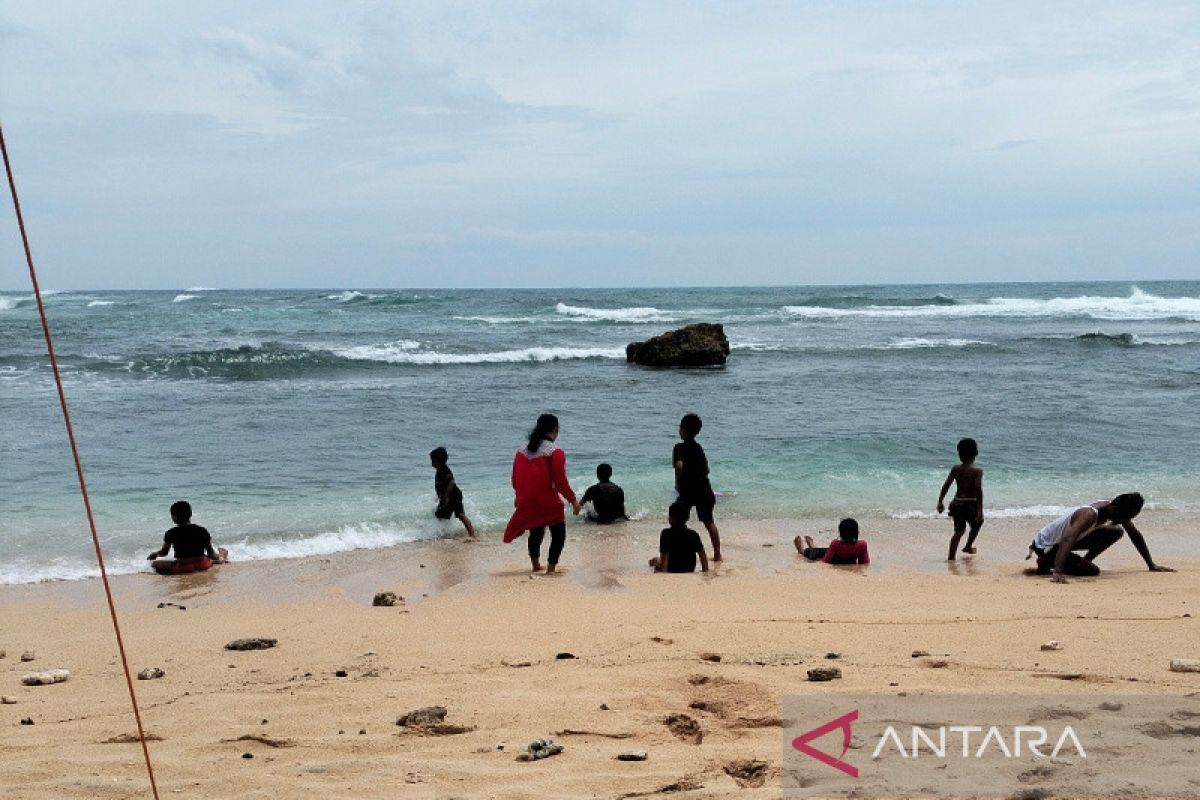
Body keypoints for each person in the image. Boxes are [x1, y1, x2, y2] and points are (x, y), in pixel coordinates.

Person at [1029, 492, 1174, 583]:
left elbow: (1135, 534)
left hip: (1061, 543)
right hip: (1046, 547)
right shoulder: (1089, 514)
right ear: (1116, 510)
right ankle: (1048, 562)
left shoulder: (1112, 508)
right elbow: (1068, 538)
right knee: (1093, 571)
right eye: (1126, 517)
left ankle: (1081, 562)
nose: (1127, 521)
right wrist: (1058, 571)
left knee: (1116, 531)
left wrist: (1151, 564)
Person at [503, 414, 581, 573]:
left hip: (527, 499)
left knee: (536, 530)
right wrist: (573, 500)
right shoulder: (555, 451)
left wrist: (519, 497)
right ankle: (551, 568)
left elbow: (515, 478)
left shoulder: (521, 449)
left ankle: (535, 565)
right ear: (555, 429)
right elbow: (560, 482)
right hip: (547, 500)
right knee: (558, 533)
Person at [673, 413, 722, 561]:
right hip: (703, 488)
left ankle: (678, 553)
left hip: (687, 489)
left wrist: (678, 483)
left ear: (682, 430)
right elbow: (707, 470)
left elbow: (679, 467)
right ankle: (717, 554)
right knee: (709, 522)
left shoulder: (679, 448)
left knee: (678, 521)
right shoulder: (698, 447)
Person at [146, 501, 227, 575]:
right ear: (190, 514)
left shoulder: (170, 533)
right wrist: (217, 557)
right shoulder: (202, 530)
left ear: (174, 517)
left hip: (182, 567)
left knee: (154, 564)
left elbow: (164, 552)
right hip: (202, 565)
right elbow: (211, 553)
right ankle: (222, 557)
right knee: (209, 558)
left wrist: (156, 554)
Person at [936, 438, 984, 560]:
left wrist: (940, 501)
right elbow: (978, 490)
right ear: (976, 454)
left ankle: (951, 557)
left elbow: (946, 485)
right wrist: (980, 510)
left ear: (959, 454)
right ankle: (968, 546)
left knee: (959, 531)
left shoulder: (956, 469)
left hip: (957, 503)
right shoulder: (977, 471)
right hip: (970, 504)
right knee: (978, 523)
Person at [430, 446, 477, 539]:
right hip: (446, 497)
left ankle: (473, 535)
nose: (432, 463)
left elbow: (452, 482)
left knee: (460, 515)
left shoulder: (444, 470)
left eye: (434, 461)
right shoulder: (439, 470)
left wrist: (446, 496)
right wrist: (439, 496)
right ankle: (443, 534)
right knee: (439, 515)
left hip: (454, 496)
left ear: (441, 461)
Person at [650, 502, 709, 573]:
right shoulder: (693, 534)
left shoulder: (666, 534)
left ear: (671, 518)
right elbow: (703, 558)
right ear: (687, 518)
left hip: (671, 569)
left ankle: (655, 561)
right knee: (656, 560)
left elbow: (664, 567)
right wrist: (704, 572)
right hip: (689, 569)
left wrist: (659, 571)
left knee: (655, 561)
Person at [793, 518, 870, 565]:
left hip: (834, 558)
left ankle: (802, 550)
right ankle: (813, 547)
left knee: (811, 552)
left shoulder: (836, 544)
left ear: (841, 533)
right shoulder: (862, 545)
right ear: (857, 532)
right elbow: (864, 562)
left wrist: (816, 561)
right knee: (822, 551)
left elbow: (826, 561)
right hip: (836, 555)